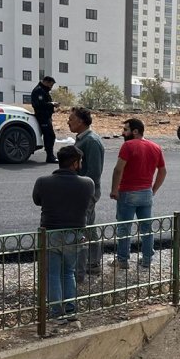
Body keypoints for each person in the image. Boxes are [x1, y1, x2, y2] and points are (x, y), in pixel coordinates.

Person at [32, 145, 94, 325]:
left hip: (50, 232)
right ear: (75, 163)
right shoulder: (87, 183)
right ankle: (70, 309)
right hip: (74, 233)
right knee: (69, 272)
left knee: (52, 274)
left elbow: (37, 201)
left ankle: (55, 312)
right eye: (80, 161)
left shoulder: (43, 181)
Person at [109, 118, 166, 270]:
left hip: (127, 192)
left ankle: (122, 260)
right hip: (146, 192)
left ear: (135, 131)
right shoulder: (155, 147)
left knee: (124, 228)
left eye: (125, 129)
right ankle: (147, 260)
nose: (123, 132)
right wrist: (153, 189)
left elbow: (118, 169)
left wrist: (114, 189)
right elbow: (162, 171)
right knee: (147, 228)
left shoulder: (127, 146)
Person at [67, 107, 104, 280]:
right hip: (83, 191)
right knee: (89, 227)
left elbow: (94, 173)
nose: (68, 121)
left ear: (81, 121)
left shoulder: (91, 141)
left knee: (82, 230)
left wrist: (81, 190)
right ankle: (93, 263)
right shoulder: (83, 139)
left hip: (86, 192)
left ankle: (82, 270)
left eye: (71, 119)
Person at [30, 75, 59, 164]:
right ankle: (50, 156)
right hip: (42, 117)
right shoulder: (39, 90)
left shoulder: (43, 90)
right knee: (49, 136)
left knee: (49, 136)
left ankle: (50, 155)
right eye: (50, 85)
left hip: (46, 117)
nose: (51, 88)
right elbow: (39, 105)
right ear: (46, 82)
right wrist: (52, 104)